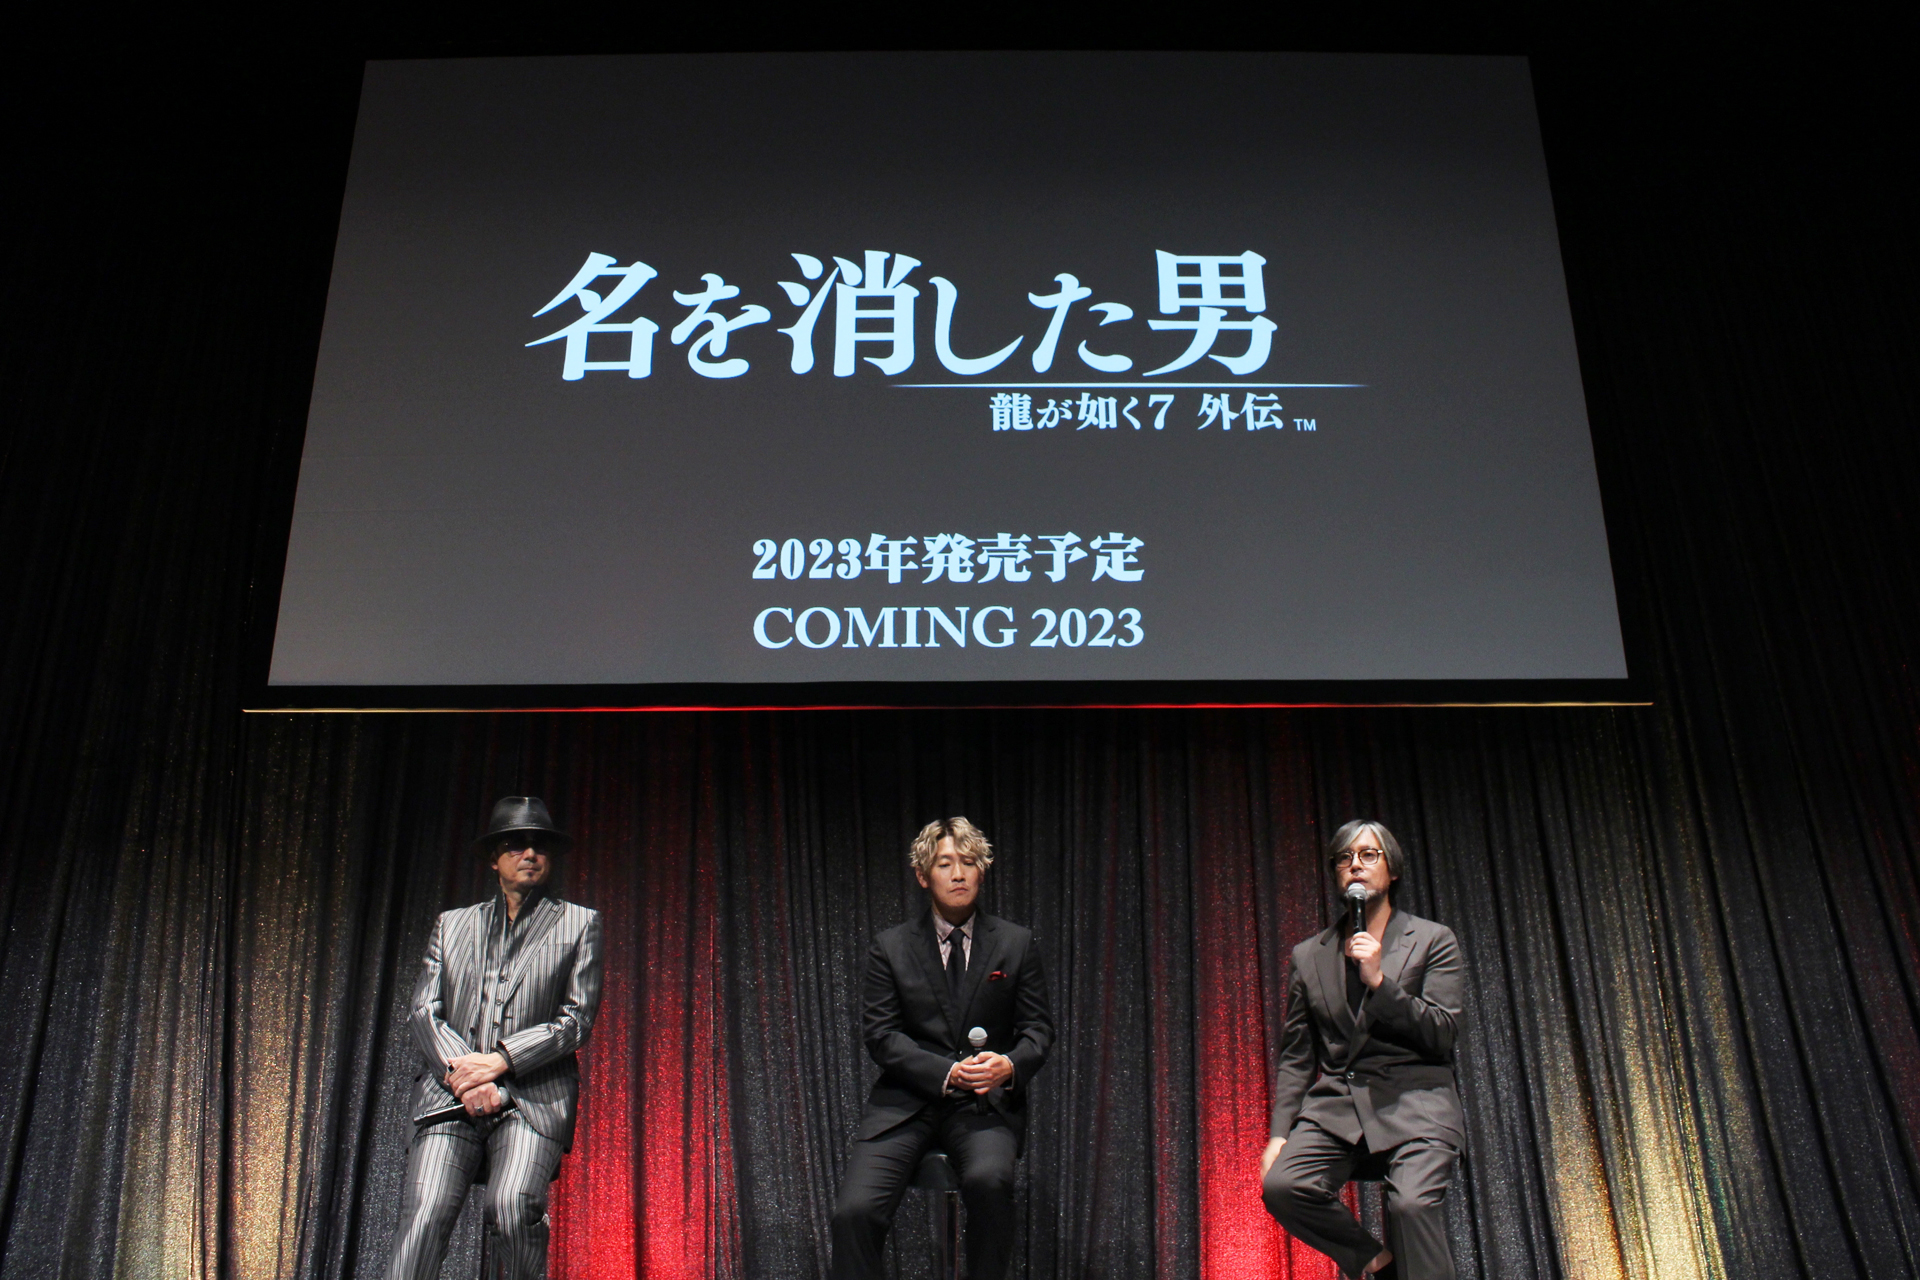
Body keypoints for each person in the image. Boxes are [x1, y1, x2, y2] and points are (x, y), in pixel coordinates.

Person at [386, 797, 605, 1280]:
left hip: (532, 1099)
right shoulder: (452, 924)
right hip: (450, 1096)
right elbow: (424, 1010)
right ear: (493, 859)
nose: (530, 854)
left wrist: (501, 1061)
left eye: (539, 846)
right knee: (424, 1216)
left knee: (511, 1208)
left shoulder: (579, 923)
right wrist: (466, 1074)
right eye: (516, 845)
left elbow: (577, 1019)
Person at [830, 818, 1055, 1280]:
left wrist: (1008, 1065)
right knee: (854, 1212)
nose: (958, 874)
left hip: (982, 1105)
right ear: (922, 875)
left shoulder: (1015, 943)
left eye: (968, 862)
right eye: (945, 864)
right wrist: (944, 1073)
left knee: (990, 1183)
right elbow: (882, 1035)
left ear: (981, 871)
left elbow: (1038, 1030)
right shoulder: (890, 947)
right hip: (905, 1104)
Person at [1260, 820, 1466, 1280]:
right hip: (1340, 1106)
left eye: (1369, 855)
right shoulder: (1308, 955)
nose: (1355, 864)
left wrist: (1380, 982)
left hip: (1415, 1101)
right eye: (1344, 857)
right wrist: (1278, 1134)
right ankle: (1377, 1263)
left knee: (1411, 1205)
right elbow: (1297, 1055)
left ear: (1392, 870)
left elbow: (1442, 1033)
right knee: (1283, 1186)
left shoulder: (1432, 939)